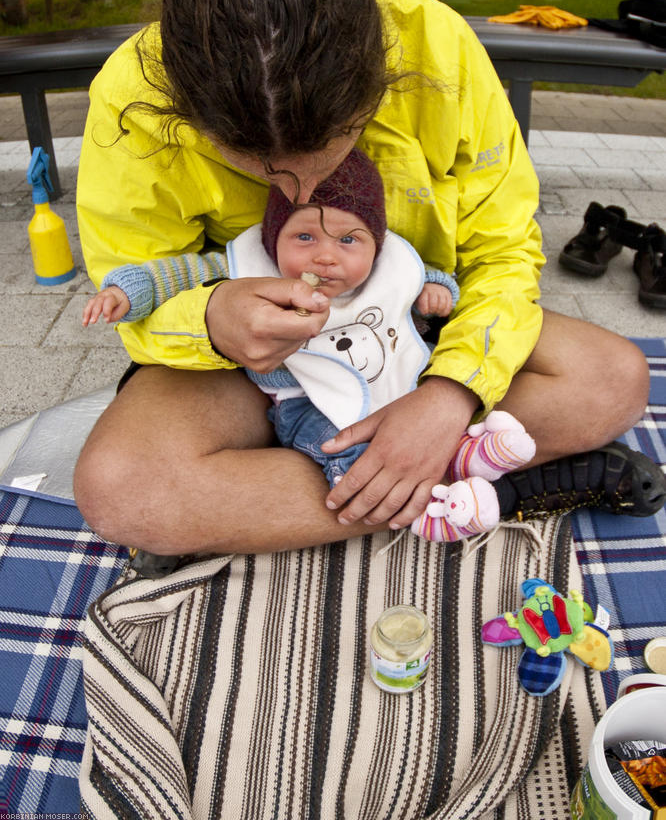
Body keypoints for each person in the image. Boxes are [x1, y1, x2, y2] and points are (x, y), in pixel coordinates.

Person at [74, 0, 665, 566]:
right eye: (256, 166)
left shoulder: (437, 48)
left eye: (328, 152)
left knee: (614, 381)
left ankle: (310, 493)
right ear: (185, 107)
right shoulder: (130, 94)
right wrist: (210, 319)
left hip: (417, 327)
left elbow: (503, 255)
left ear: (380, 82)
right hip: (261, 373)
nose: (299, 191)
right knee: (121, 489)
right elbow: (130, 283)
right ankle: (486, 490)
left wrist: (449, 394)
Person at [81, 148, 536, 543]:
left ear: (375, 247)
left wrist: (438, 292)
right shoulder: (249, 264)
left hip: (399, 386)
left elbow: (427, 277)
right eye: (304, 237)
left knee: (424, 417)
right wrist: (125, 291)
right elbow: (172, 274)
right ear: (272, 239)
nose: (325, 255)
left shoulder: (390, 266)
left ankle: (462, 453)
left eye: (347, 240)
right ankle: (426, 510)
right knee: (340, 448)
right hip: (303, 402)